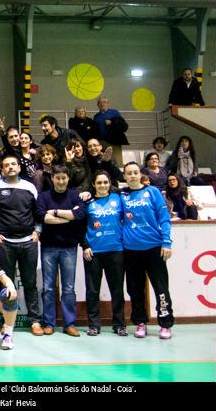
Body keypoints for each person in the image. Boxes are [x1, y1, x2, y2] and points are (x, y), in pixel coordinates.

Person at [0, 155, 44, 336]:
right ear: (2, 169)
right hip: (5, 244)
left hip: (28, 242)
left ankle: (35, 321)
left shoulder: (29, 187)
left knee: (30, 283)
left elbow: (38, 212)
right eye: (6, 165)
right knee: (6, 285)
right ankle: (6, 322)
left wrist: (38, 230)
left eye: (13, 164)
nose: (10, 167)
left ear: (19, 167)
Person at [121, 162, 174, 339]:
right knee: (135, 289)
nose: (133, 176)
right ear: (125, 176)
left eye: (135, 172)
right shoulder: (122, 195)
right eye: (129, 173)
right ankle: (140, 322)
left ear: (141, 175)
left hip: (154, 248)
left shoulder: (153, 192)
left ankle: (165, 324)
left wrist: (166, 242)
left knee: (160, 288)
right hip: (131, 250)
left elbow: (164, 218)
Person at [36, 165, 86, 337]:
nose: (61, 181)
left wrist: (56, 212)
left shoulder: (75, 195)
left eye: (64, 178)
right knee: (48, 288)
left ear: (68, 179)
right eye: (58, 178)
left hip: (69, 248)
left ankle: (69, 323)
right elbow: (43, 217)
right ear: (53, 179)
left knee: (69, 288)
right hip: (48, 247)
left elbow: (79, 215)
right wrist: (68, 217)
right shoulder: (43, 197)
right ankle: (49, 323)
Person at [81, 170, 127, 337]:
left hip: (116, 251)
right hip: (93, 252)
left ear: (110, 184)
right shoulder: (87, 202)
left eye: (105, 182)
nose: (102, 185)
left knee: (117, 290)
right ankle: (94, 325)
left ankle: (119, 324)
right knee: (92, 290)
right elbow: (80, 226)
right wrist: (85, 245)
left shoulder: (119, 198)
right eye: (99, 183)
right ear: (93, 184)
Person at [93, 97, 129, 166]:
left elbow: (122, 124)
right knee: (103, 162)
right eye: (100, 102)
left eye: (104, 102)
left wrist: (112, 122)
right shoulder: (96, 116)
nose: (102, 104)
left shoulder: (114, 112)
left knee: (117, 162)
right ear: (97, 105)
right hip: (101, 142)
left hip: (114, 142)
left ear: (108, 104)